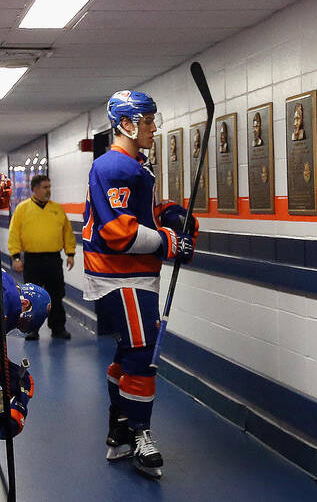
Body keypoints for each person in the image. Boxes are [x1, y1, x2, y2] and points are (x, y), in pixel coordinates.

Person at [83, 90, 198, 479]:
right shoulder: (114, 167)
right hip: (122, 275)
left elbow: (138, 212)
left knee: (129, 351)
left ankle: (119, 427)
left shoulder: (132, 165)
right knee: (145, 354)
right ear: (128, 124)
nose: (153, 128)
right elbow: (118, 231)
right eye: (148, 121)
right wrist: (170, 241)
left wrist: (169, 213)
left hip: (129, 274)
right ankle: (138, 432)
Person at [7, 175, 76, 341]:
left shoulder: (57, 209)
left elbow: (67, 232)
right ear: (35, 189)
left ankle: (58, 327)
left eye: (49, 187)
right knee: (31, 297)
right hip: (32, 260)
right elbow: (14, 233)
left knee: (56, 295)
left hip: (53, 259)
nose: (48, 190)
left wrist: (70, 253)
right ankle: (31, 329)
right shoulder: (23, 209)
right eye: (45, 187)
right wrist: (16, 257)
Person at [0, 269, 50, 439]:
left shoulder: (7, 285)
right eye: (22, 323)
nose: (14, 327)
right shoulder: (10, 304)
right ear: (25, 305)